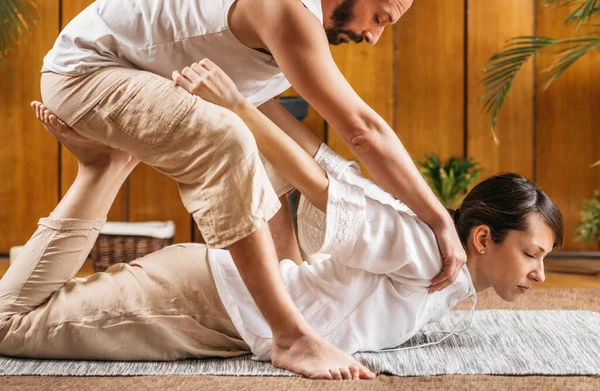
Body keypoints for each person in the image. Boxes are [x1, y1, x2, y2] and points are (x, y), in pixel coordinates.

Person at [0, 63, 562, 379]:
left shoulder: (447, 279)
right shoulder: (424, 249)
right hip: (204, 302)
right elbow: (324, 188)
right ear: (484, 237)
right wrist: (241, 107)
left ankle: (104, 165)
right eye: (533, 254)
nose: (539, 273)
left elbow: (328, 173)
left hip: (220, 312)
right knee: (8, 326)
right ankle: (102, 168)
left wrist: (253, 105)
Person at [39, 0, 463, 378]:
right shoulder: (287, 8)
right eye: (379, 18)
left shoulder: (296, 18)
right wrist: (440, 220)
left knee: (266, 145)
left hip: (134, 71)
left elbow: (304, 150)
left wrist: (346, 185)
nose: (373, 36)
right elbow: (363, 130)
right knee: (228, 138)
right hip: (86, 70)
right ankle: (290, 336)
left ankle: (289, 295)